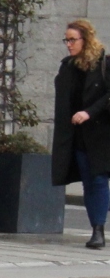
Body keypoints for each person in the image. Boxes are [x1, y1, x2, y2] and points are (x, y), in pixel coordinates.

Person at [52, 19, 110, 248]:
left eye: (72, 39)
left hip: (101, 134)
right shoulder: (67, 67)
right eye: (66, 39)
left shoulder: (104, 65)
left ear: (86, 39)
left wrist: (89, 112)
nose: (68, 44)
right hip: (76, 135)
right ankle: (96, 228)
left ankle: (99, 230)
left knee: (98, 179)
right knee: (88, 180)